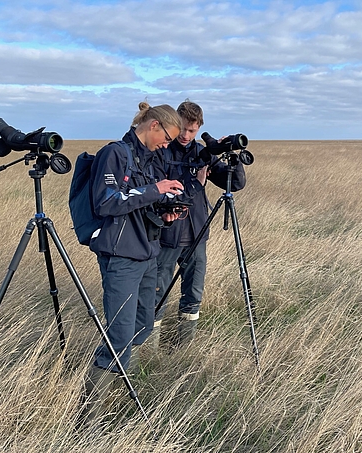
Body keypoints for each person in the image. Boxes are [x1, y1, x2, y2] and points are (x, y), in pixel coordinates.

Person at [81, 101, 184, 425]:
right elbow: (108, 203)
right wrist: (154, 189)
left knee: (141, 324)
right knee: (121, 334)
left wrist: (164, 213)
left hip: (147, 252)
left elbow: (139, 205)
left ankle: (122, 383)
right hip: (122, 256)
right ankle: (89, 417)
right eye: (166, 138)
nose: (166, 145)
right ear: (153, 125)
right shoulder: (115, 153)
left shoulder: (149, 159)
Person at [152, 100, 247, 349]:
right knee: (156, 292)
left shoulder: (202, 153)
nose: (185, 135)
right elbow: (164, 193)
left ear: (199, 128)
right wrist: (196, 182)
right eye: (182, 128)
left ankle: (184, 348)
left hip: (197, 234)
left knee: (193, 293)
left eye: (192, 130)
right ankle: (149, 349)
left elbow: (234, 184)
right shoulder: (161, 151)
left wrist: (232, 158)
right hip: (166, 235)